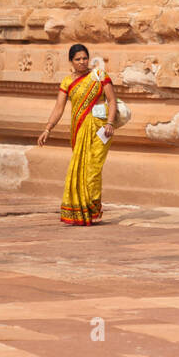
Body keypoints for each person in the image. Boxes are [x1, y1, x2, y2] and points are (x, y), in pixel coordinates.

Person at [37, 43, 118, 226]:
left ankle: (91, 207)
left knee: (93, 169)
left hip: (101, 130)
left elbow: (112, 101)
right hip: (79, 130)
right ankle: (81, 212)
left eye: (85, 58)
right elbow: (59, 107)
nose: (82, 62)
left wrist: (110, 122)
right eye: (78, 59)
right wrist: (47, 129)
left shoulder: (99, 76)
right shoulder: (67, 82)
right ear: (71, 62)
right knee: (79, 168)